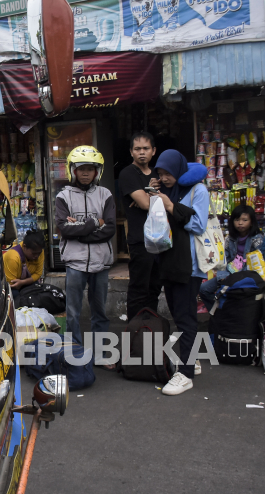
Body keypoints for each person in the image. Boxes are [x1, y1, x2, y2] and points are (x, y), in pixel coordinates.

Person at [150, 150, 208, 395]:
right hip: (170, 261)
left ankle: (185, 374)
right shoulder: (166, 192)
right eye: (160, 174)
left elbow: (197, 224)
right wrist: (155, 194)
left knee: (186, 319)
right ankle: (190, 359)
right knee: (178, 314)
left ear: (179, 169)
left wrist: (171, 206)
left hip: (190, 265)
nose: (164, 177)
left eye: (168, 173)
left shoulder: (198, 191)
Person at [54, 146, 116, 362]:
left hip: (101, 262)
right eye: (81, 169)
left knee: (100, 312)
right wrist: (92, 223)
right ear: (73, 170)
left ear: (98, 171)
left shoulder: (105, 194)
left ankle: (101, 354)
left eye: (91, 168)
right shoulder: (63, 197)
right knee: (72, 313)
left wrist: (81, 232)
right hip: (74, 263)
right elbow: (64, 229)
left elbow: (110, 228)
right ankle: (75, 356)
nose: (86, 173)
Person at [118, 131, 162, 320]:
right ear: (131, 152)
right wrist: (154, 195)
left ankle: (150, 328)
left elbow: (150, 201)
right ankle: (135, 334)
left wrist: (149, 195)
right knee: (139, 289)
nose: (142, 152)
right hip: (140, 240)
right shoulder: (128, 173)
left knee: (154, 288)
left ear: (153, 151)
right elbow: (144, 204)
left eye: (146, 148)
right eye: (137, 149)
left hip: (161, 239)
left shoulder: (158, 174)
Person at [198, 205, 264, 309]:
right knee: (204, 289)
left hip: (247, 276)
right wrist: (223, 275)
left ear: (251, 222)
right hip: (229, 273)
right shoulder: (230, 238)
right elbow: (225, 259)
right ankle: (219, 313)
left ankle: (229, 314)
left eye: (244, 220)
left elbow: (256, 264)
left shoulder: (257, 239)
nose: (240, 223)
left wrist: (235, 276)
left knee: (234, 294)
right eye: (237, 220)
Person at [3, 230, 45, 300]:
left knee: (38, 292)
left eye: (38, 253)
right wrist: (22, 283)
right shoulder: (13, 257)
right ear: (24, 246)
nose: (37, 256)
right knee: (16, 296)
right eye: (34, 253)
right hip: (10, 286)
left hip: (23, 282)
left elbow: (38, 274)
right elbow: (12, 284)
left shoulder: (39, 251)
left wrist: (23, 282)